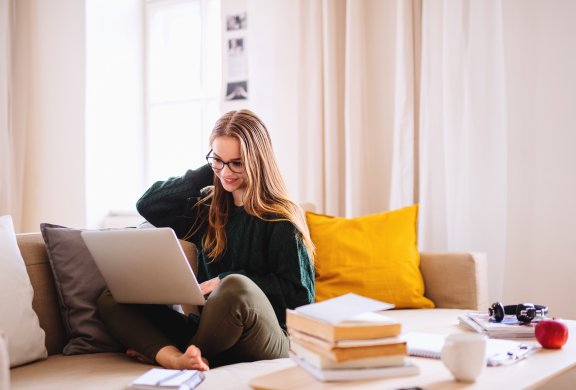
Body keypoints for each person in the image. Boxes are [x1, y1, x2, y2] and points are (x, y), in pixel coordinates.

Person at [97, 109, 315, 371]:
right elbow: (149, 204)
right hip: (211, 330)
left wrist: (226, 281)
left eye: (237, 163)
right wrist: (209, 170)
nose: (226, 172)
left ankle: (186, 354)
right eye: (218, 160)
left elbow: (300, 297)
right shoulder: (206, 210)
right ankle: (177, 358)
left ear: (257, 161)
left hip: (269, 337)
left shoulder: (281, 217)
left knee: (235, 286)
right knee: (113, 296)